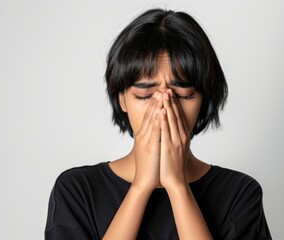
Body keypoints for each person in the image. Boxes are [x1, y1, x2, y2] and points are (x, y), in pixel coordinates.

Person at [45, 8, 272, 240]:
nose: (163, 108)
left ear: (204, 100)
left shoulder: (240, 194)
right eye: (144, 95)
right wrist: (141, 186)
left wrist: (178, 186)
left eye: (183, 95)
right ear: (121, 98)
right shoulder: (76, 191)